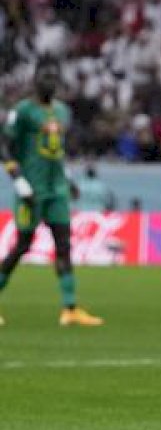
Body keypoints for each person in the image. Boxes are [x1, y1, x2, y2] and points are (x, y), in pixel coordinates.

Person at [0, 57, 104, 326]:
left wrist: (67, 178)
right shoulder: (21, 112)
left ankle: (70, 308)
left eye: (53, 77)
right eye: (44, 77)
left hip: (56, 189)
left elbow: (57, 150)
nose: (49, 82)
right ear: (34, 80)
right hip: (31, 188)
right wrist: (19, 181)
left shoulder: (62, 111)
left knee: (64, 245)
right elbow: (5, 147)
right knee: (23, 245)